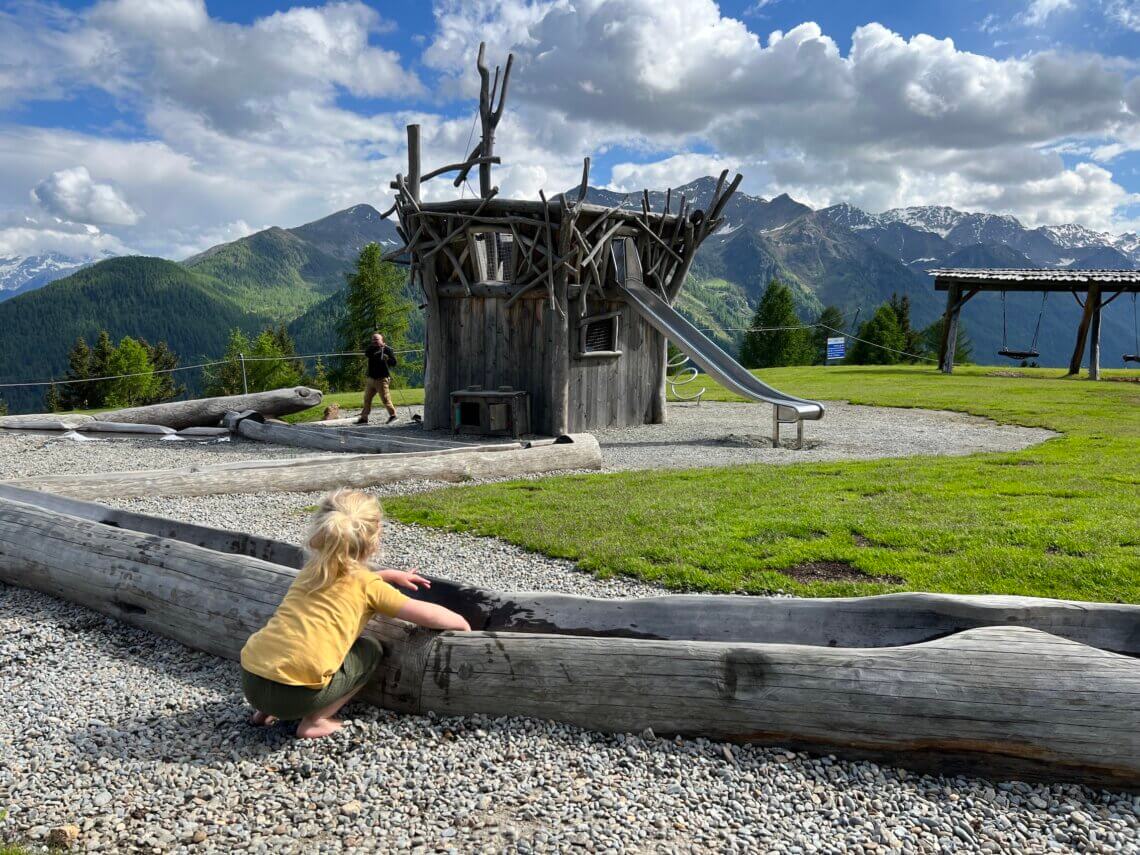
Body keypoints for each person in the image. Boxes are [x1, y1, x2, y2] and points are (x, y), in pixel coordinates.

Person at [240, 489, 470, 738]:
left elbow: (345, 581)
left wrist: (386, 575)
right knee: (370, 649)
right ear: (375, 538)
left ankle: (264, 713)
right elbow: (426, 614)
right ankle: (316, 720)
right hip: (295, 697)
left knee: (290, 643)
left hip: (252, 682)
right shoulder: (369, 587)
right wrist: (461, 623)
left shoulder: (312, 571)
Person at [358, 332, 398, 424]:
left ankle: (393, 415)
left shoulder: (387, 350)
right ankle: (364, 418)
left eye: (377, 340)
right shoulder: (371, 349)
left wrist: (387, 359)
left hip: (382, 379)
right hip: (371, 379)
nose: (375, 341)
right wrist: (378, 352)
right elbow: (367, 354)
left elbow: (394, 363)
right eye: (373, 340)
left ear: (382, 340)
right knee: (367, 399)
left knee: (385, 399)